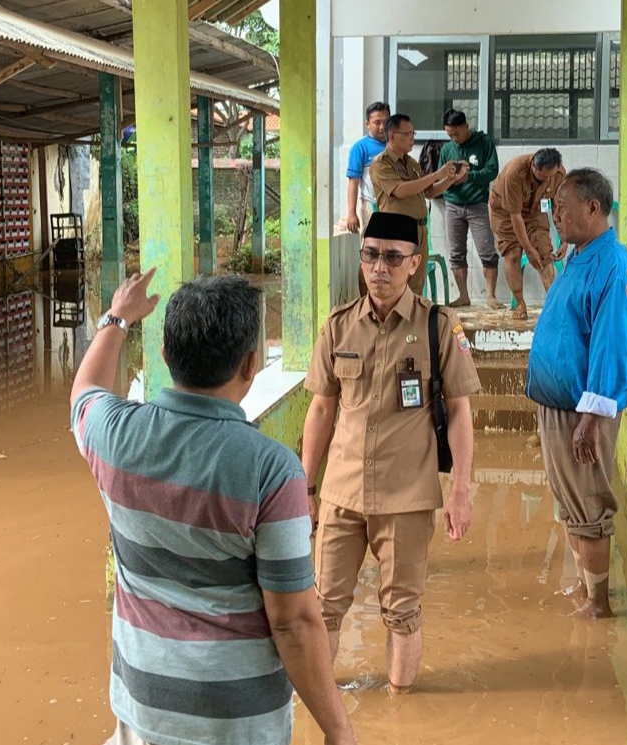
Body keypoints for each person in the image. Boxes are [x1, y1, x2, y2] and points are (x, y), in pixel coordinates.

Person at [71, 272, 355, 745]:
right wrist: (338, 729)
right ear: (250, 364)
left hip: (142, 713)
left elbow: (84, 390)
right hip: (236, 724)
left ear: (166, 356)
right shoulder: (271, 471)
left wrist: (118, 318)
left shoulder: (114, 435)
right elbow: (294, 622)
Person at [302, 211, 480, 694]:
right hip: (341, 493)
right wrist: (306, 487)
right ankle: (321, 704)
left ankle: (400, 708)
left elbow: (460, 413)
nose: (379, 267)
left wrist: (461, 490)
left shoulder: (439, 327)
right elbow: (320, 411)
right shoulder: (338, 327)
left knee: (401, 613)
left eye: (392, 257)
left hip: (407, 497)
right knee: (322, 608)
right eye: (371, 254)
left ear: (414, 263)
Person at [526, 168, 627, 620]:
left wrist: (591, 418)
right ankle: (584, 586)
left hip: (580, 410)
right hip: (558, 404)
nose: (555, 217)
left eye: (562, 208)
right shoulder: (581, 254)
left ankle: (599, 603)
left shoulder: (613, 264)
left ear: (593, 209)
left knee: (589, 505)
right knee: (572, 503)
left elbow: (612, 342)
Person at [369, 113, 464, 294]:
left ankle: (413, 321)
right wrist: (436, 174)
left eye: (413, 133)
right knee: (397, 284)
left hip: (419, 230)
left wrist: (450, 179)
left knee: (416, 286)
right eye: (407, 134)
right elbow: (400, 190)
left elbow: (429, 192)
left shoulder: (412, 163)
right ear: (392, 136)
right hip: (397, 232)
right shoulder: (381, 164)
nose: (412, 138)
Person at [489, 148, 566, 319]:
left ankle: (554, 306)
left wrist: (565, 239)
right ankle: (520, 304)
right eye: (543, 177)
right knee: (513, 254)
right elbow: (515, 216)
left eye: (551, 176)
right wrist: (528, 248)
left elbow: (558, 207)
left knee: (545, 253)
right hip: (505, 212)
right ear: (533, 167)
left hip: (536, 210)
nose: (548, 180)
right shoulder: (515, 173)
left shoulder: (559, 174)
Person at [438, 108, 501, 308]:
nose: (454, 138)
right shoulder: (447, 149)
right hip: (453, 205)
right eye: (450, 135)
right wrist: (450, 179)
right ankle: (463, 295)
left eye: (457, 133)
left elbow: (492, 171)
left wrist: (469, 176)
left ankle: (491, 296)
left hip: (477, 205)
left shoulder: (484, 143)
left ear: (466, 126)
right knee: (456, 253)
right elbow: (439, 176)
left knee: (487, 250)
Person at [345, 101, 390, 234]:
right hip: (371, 205)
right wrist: (351, 213)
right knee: (371, 247)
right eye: (377, 122)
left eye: (386, 122)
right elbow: (353, 182)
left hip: (394, 206)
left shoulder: (394, 145)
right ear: (367, 124)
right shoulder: (360, 148)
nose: (382, 127)